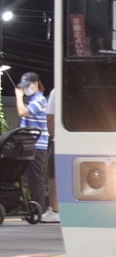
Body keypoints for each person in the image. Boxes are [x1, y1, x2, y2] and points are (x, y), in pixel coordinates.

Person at [14, 72, 49, 218]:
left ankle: (38, 209)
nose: (25, 89)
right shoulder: (34, 99)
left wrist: (18, 97)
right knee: (31, 178)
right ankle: (33, 208)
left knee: (35, 178)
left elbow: (23, 112)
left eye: (27, 86)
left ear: (35, 84)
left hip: (37, 145)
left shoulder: (39, 99)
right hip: (30, 144)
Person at [43, 87, 57, 223]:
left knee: (54, 176)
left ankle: (55, 210)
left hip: (60, 140)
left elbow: (50, 118)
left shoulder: (56, 91)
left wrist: (53, 135)